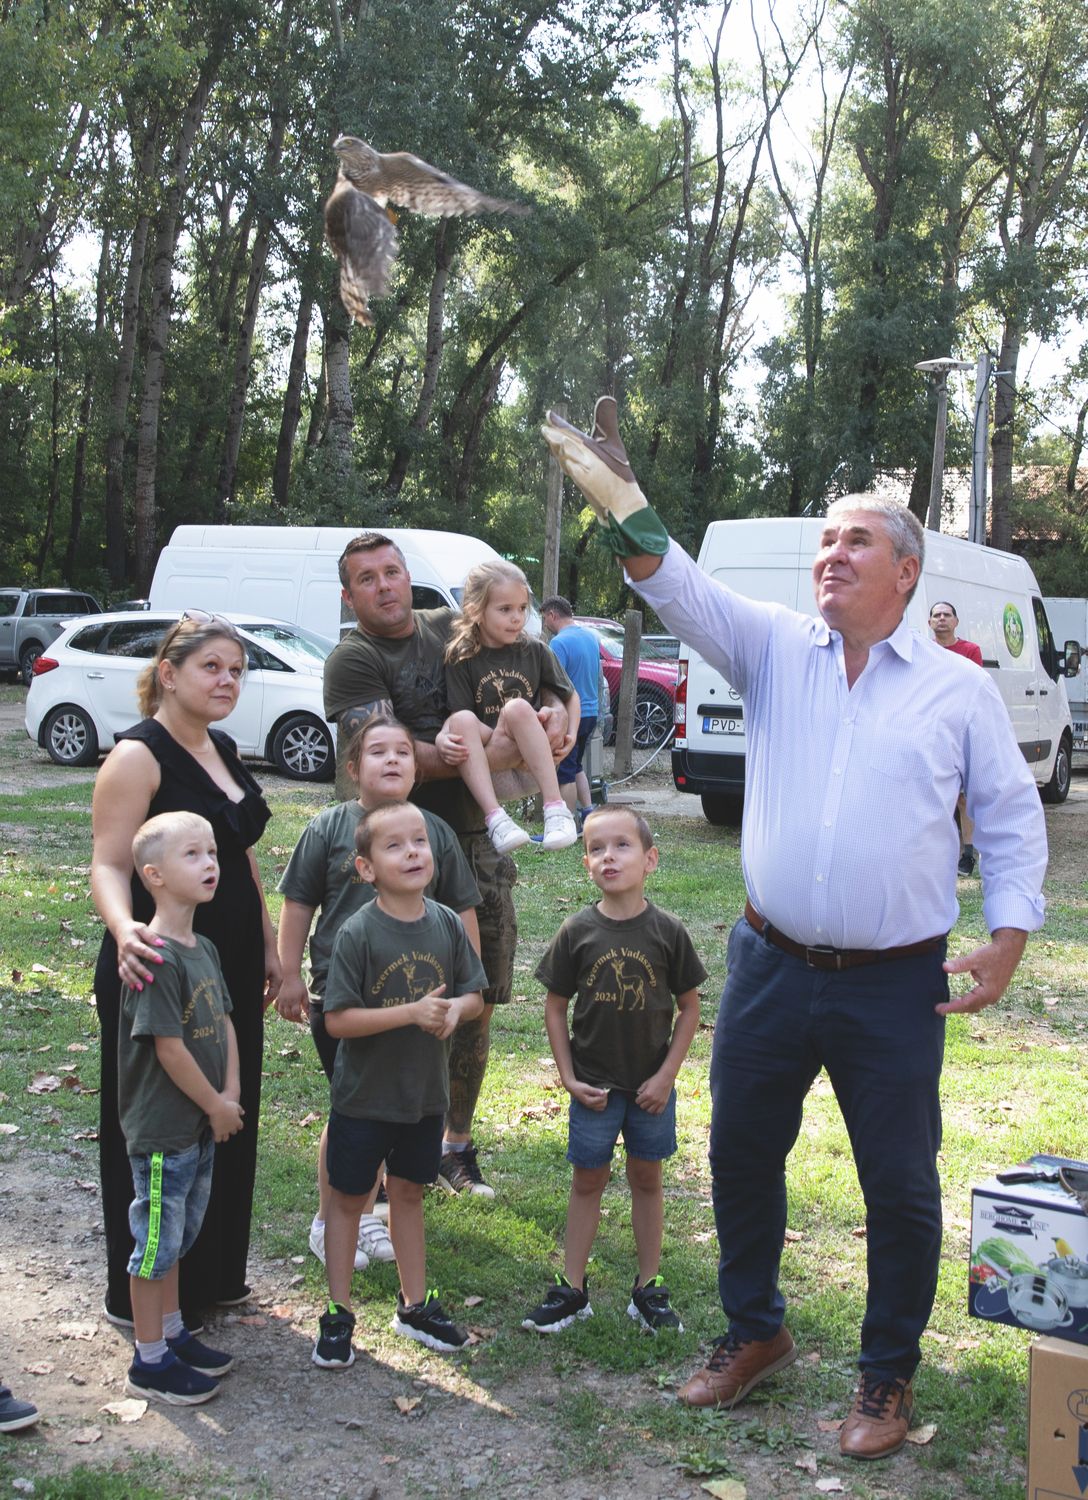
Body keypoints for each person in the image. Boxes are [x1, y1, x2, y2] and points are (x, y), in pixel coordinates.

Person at [542, 398, 1046, 1460]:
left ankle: (885, 1379)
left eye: (855, 540)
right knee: (739, 1155)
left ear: (905, 571)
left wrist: (1004, 935)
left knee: (899, 1184)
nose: (831, 555)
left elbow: (1006, 818)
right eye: (823, 540)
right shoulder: (772, 647)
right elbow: (669, 582)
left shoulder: (957, 691)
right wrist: (625, 502)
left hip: (892, 982)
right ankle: (753, 1333)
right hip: (767, 964)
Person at [323, 532, 571, 1199]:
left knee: (477, 996)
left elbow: (531, 669)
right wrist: (513, 750)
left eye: (393, 571)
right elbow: (395, 755)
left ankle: (453, 1147)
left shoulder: (454, 626)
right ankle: (377, 1155)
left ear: (409, 577)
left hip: (475, 842)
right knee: (390, 997)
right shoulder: (354, 659)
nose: (385, 585)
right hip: (393, 845)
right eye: (367, 578)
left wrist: (556, 714)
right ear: (349, 596)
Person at [92, 612, 281, 1330]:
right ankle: (138, 1299)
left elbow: (237, 851)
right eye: (213, 667)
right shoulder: (140, 756)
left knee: (226, 1110)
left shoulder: (224, 747)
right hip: (157, 965)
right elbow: (109, 861)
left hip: (224, 961)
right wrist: (124, 929)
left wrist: (265, 937)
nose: (228, 680)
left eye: (236, 669)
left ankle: (208, 1278)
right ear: (169, 673)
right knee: (162, 1124)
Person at [275, 716, 481, 1269]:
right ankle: (337, 1219)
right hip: (342, 1002)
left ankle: (368, 1214)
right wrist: (288, 973)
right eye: (377, 752)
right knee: (352, 1110)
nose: (392, 760)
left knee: (399, 1109)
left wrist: (466, 988)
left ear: (417, 769)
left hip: (421, 1005)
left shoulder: (432, 832)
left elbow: (463, 910)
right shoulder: (327, 828)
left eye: (404, 753)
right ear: (352, 769)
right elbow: (298, 902)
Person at [311, 802, 488, 1368]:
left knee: (408, 1195)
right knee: (347, 1204)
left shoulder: (444, 923)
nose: (413, 852)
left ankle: (414, 1307)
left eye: (420, 842)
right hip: (364, 1099)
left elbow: (473, 994)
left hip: (423, 1098)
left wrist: (455, 1011)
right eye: (394, 846)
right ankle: (338, 1314)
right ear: (365, 869)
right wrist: (410, 1013)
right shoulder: (357, 933)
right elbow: (337, 1019)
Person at [522, 807, 705, 1335]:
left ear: (650, 859)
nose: (609, 856)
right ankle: (571, 1289)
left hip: (651, 1088)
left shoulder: (668, 932)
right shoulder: (577, 931)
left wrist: (667, 1075)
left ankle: (648, 1287)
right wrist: (567, 1075)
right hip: (594, 1089)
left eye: (622, 846)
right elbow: (555, 1006)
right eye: (597, 848)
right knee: (588, 1180)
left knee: (647, 1178)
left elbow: (690, 1007)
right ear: (585, 863)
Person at [120, 811, 240, 1405]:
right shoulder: (153, 955)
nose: (210, 863)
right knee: (157, 1243)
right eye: (193, 855)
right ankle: (148, 1359)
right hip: (166, 1127)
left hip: (201, 1120)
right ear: (154, 876)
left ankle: (170, 1334)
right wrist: (214, 1104)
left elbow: (224, 1021)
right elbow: (168, 1049)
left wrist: (232, 1095)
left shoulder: (206, 947)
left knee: (180, 1234)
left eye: (213, 852)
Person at [441, 560, 580, 853]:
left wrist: (572, 737)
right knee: (465, 719)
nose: (516, 618)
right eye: (505, 609)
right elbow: (458, 717)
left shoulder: (535, 649)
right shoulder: (461, 656)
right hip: (491, 769)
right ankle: (497, 821)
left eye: (522, 608)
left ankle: (556, 810)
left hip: (531, 765)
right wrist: (444, 736)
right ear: (476, 610)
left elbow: (571, 697)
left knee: (517, 708)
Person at [928, 602, 984, 876]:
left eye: (946, 615)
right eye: (936, 615)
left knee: (963, 798)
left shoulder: (970, 651)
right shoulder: (924, 652)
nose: (941, 619)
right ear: (929, 623)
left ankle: (968, 854)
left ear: (956, 621)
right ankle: (937, 854)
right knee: (935, 795)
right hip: (930, 730)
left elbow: (972, 689)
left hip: (961, 729)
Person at [541, 596, 600, 826]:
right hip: (591, 711)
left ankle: (565, 826)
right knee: (576, 766)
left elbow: (554, 682)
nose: (545, 624)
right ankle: (587, 814)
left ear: (553, 615)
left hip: (571, 716)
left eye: (545, 618)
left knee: (564, 771)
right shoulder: (590, 637)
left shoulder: (559, 643)